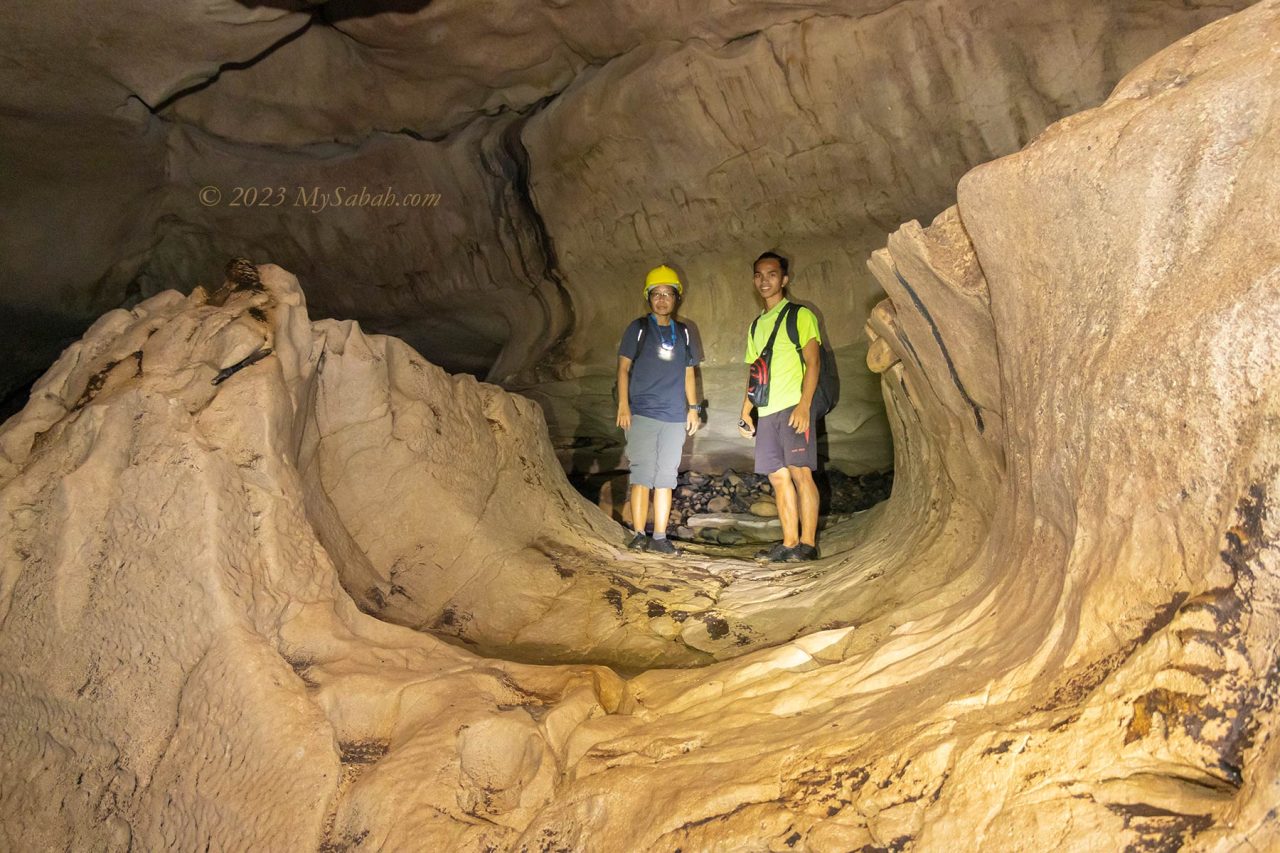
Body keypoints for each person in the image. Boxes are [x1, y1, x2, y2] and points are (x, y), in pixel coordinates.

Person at [738, 251, 821, 562]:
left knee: (801, 473)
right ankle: (789, 543)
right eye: (759, 275)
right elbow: (754, 371)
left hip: (794, 407)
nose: (765, 280)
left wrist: (804, 405)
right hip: (767, 410)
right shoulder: (756, 326)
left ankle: (808, 545)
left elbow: (813, 363)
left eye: (772, 274)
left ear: (784, 280)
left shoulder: (800, 315)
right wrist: (746, 410)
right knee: (777, 476)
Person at [616, 265, 702, 554]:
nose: (662, 299)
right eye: (656, 294)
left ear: (677, 298)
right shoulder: (638, 328)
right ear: (648, 297)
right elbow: (623, 368)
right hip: (642, 412)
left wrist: (693, 408)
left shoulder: (685, 332)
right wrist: (624, 405)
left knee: (666, 477)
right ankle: (640, 533)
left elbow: (690, 371)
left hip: (674, 416)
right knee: (642, 475)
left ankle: (660, 537)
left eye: (668, 293)